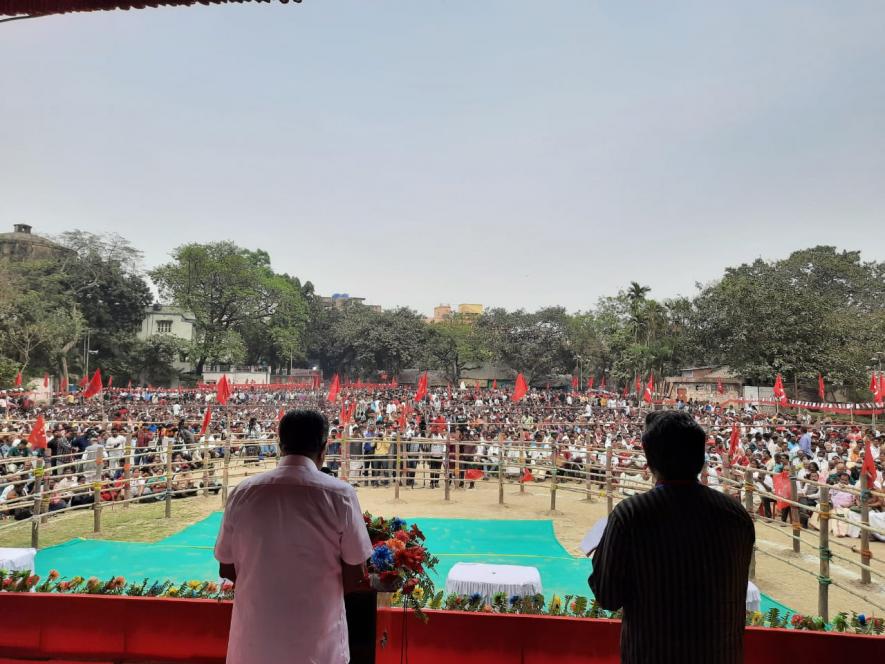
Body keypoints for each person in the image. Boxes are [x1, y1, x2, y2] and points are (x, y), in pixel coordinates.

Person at [588, 410, 755, 664]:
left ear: (648, 456)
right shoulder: (736, 515)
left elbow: (607, 597)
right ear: (700, 455)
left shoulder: (631, 515)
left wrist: (603, 553)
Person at [214, 409, 373, 664]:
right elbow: (355, 576)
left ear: (280, 445)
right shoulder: (340, 495)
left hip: (254, 642)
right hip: (318, 642)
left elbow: (226, 568)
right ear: (324, 448)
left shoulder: (243, 492)